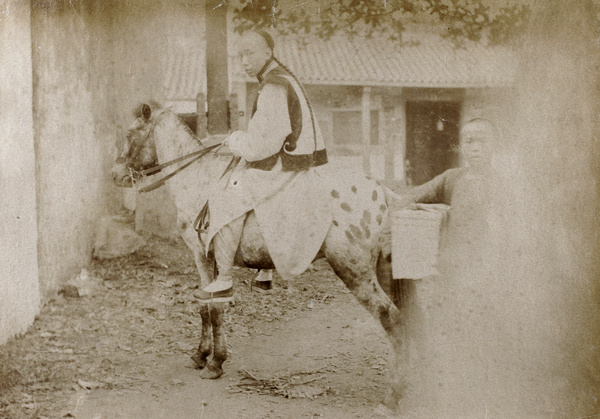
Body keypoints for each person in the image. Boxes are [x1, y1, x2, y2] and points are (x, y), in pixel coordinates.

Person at [194, 30, 330, 303]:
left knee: (224, 194)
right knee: (239, 179)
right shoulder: (281, 76)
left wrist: (235, 142)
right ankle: (263, 272)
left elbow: (263, 145)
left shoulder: (274, 85)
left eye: (250, 53)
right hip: (293, 157)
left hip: (285, 163)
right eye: (240, 55)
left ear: (268, 52)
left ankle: (223, 279)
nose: (244, 61)